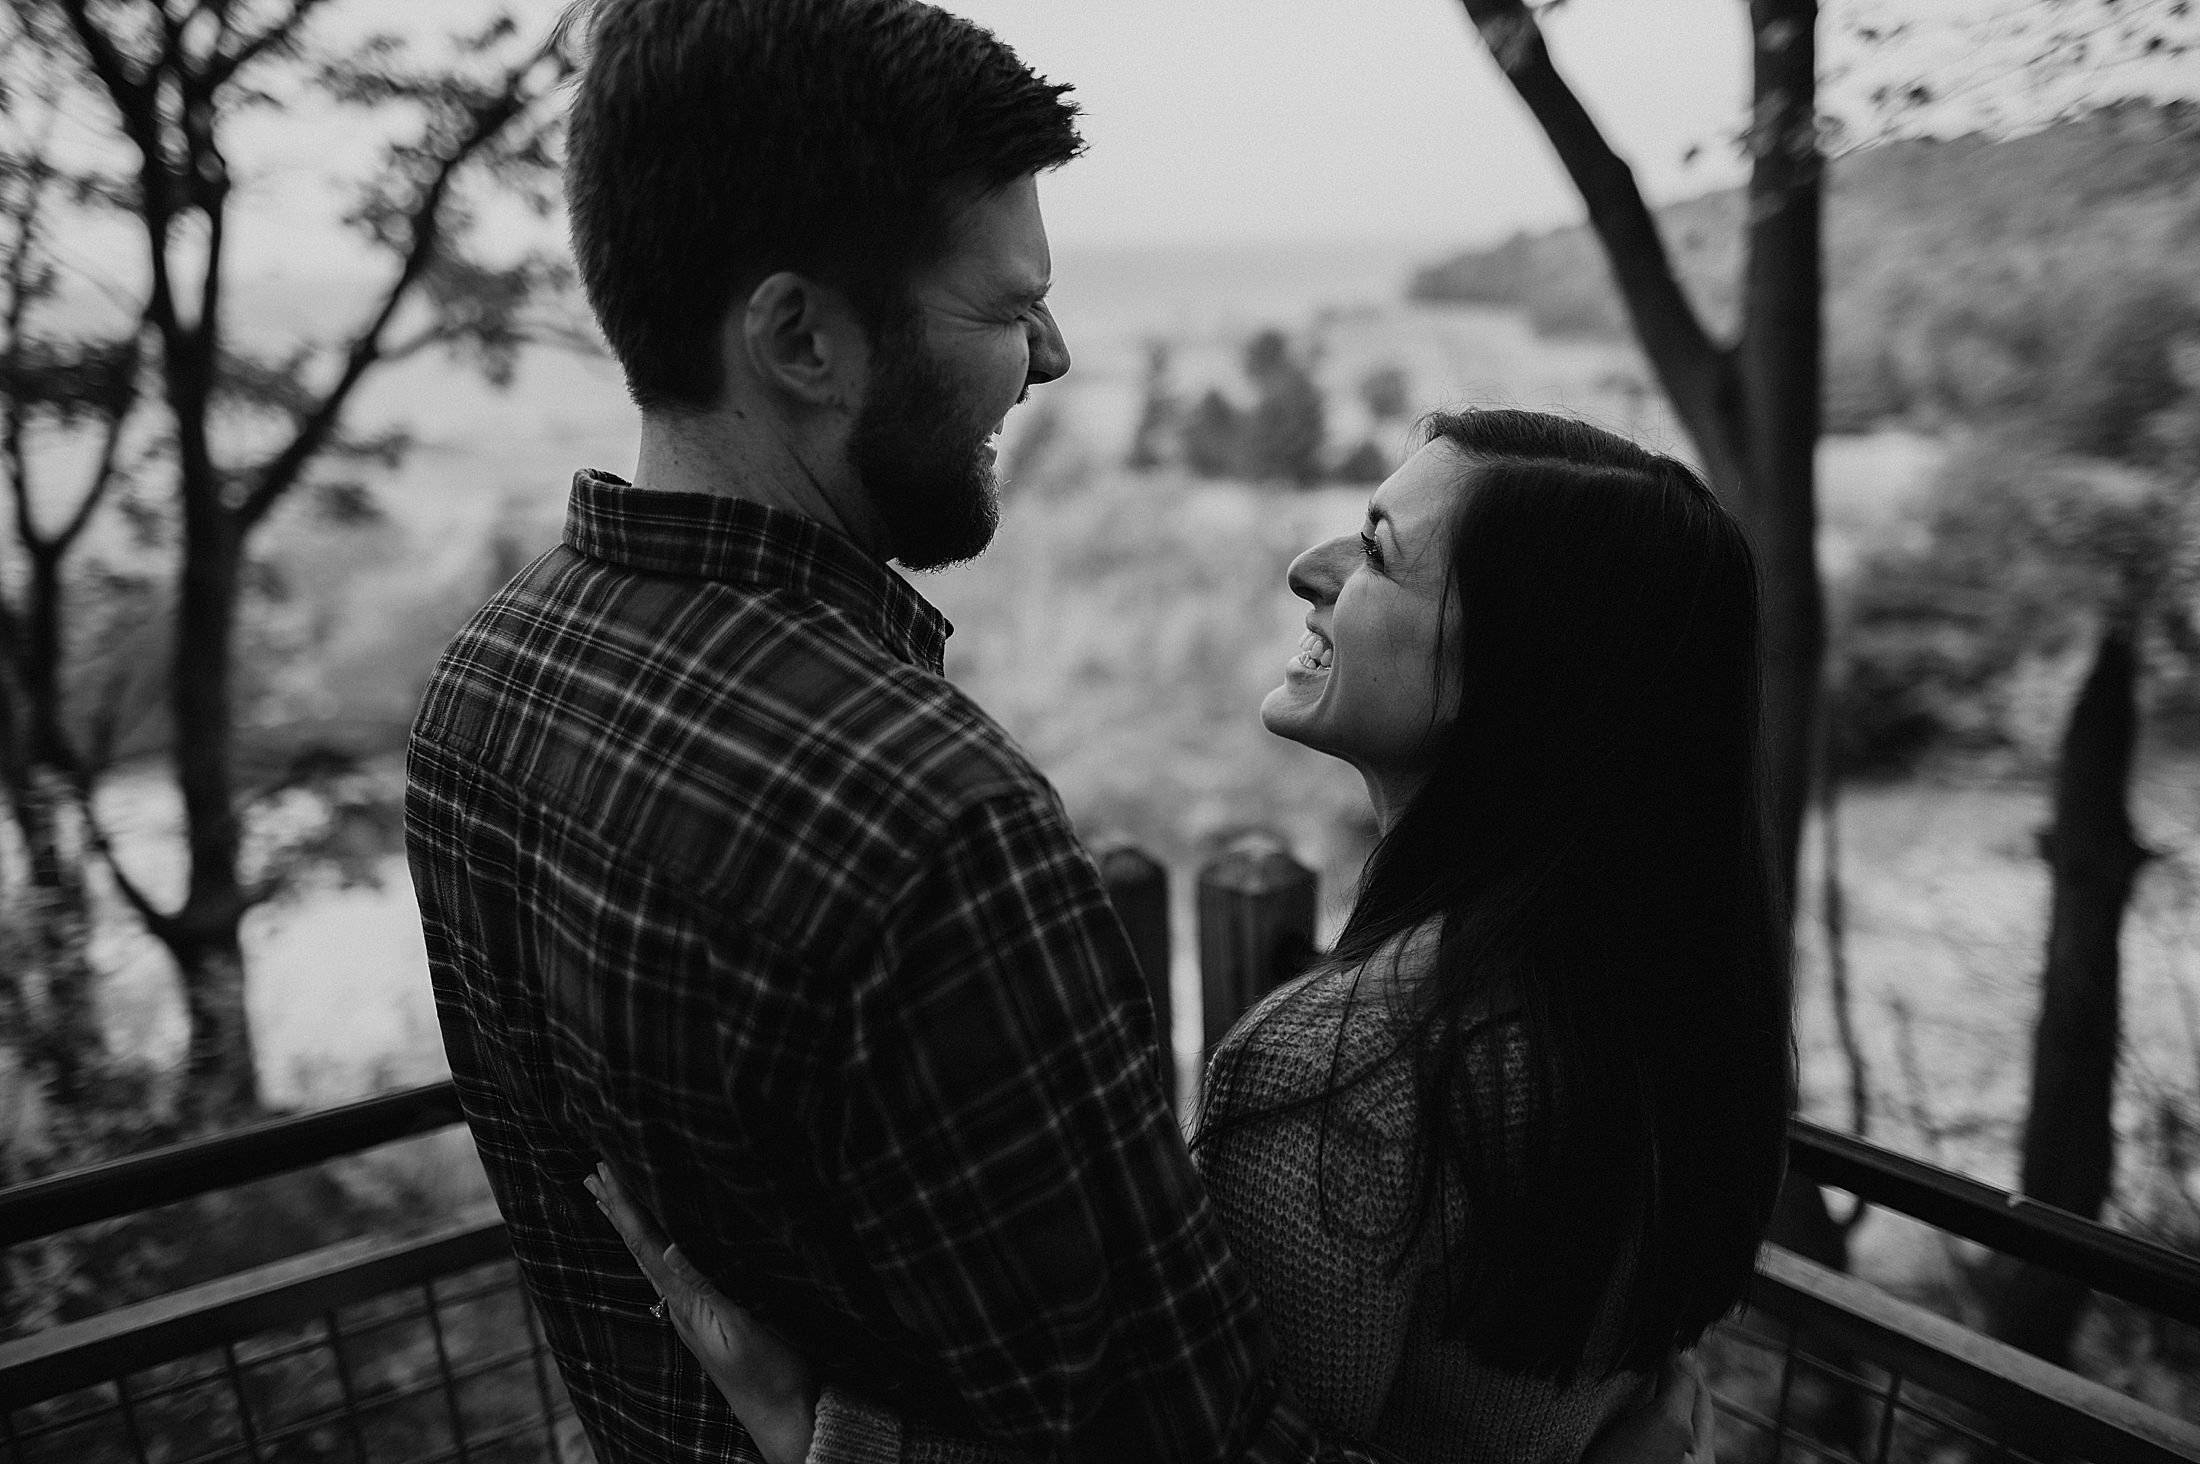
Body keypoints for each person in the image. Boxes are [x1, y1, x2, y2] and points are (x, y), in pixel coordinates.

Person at [407, 0, 1719, 1458]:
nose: (1053, 357)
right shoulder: (934, 831)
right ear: (799, 338)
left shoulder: (479, 693)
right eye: (1005, 306)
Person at [590, 410, 1793, 1463]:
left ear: (1525, 673)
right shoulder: (1668, 995)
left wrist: (814, 1420)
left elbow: (1209, 1444)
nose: (1305, 567)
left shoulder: (1352, 1073)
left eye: (1377, 552)